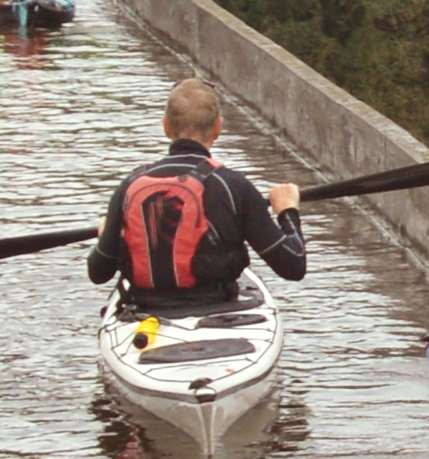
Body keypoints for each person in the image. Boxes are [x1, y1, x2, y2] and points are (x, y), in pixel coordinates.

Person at [90, 78, 308, 312]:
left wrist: (107, 238)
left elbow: (98, 273)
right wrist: (287, 211)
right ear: (218, 128)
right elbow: (293, 265)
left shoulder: (129, 186)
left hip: (146, 310)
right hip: (216, 309)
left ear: (165, 127)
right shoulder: (234, 187)